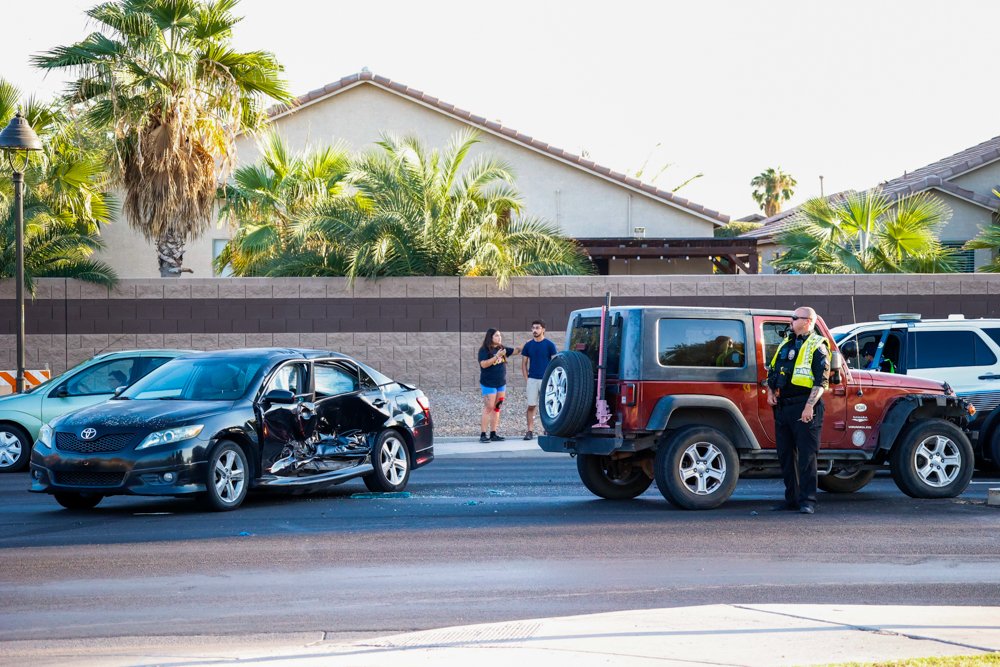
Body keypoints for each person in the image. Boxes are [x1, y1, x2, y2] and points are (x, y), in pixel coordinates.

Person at [765, 306, 830, 515]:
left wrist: (809, 406)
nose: (790, 320)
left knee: (807, 456)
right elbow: (772, 371)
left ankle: (807, 501)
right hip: (784, 407)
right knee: (785, 455)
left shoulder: (817, 345)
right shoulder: (786, 343)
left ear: (808, 321)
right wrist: (770, 392)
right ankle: (791, 499)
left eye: (795, 317)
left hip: (805, 406)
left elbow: (821, 381)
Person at [477, 328, 520, 443]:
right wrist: (497, 356)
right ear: (490, 337)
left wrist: (528, 345)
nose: (499, 337)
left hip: (501, 383)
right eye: (496, 335)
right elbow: (484, 364)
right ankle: (483, 434)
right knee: (488, 407)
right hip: (488, 383)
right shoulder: (484, 350)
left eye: (500, 335)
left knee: (497, 407)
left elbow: (516, 351)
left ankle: (493, 433)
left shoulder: (502, 349)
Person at [521, 319, 559, 440]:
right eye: (533, 328)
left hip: (547, 381)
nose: (535, 330)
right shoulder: (528, 345)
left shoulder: (550, 345)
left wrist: (553, 380)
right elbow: (524, 364)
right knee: (531, 405)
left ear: (543, 329)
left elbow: (555, 363)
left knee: (547, 406)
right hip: (532, 380)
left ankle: (548, 429)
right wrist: (527, 379)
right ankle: (529, 431)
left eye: (537, 328)